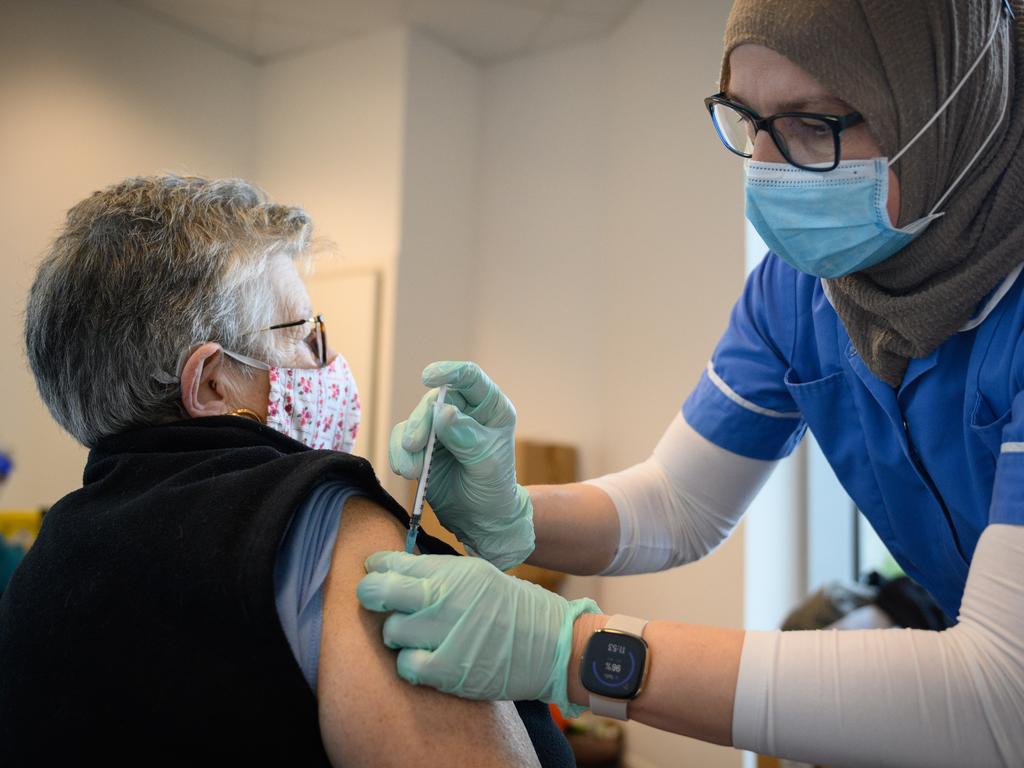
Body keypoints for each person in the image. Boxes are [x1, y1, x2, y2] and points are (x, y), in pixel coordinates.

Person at [357, 2, 1024, 766]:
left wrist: (574, 650)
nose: (769, 168)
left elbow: (1003, 691)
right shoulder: (803, 291)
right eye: (748, 122)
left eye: (815, 124)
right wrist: (513, 514)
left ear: (948, 106)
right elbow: (679, 504)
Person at [0, 176, 572, 767]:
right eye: (306, 337)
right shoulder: (323, 524)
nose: (328, 363)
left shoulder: (46, 561)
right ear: (214, 382)